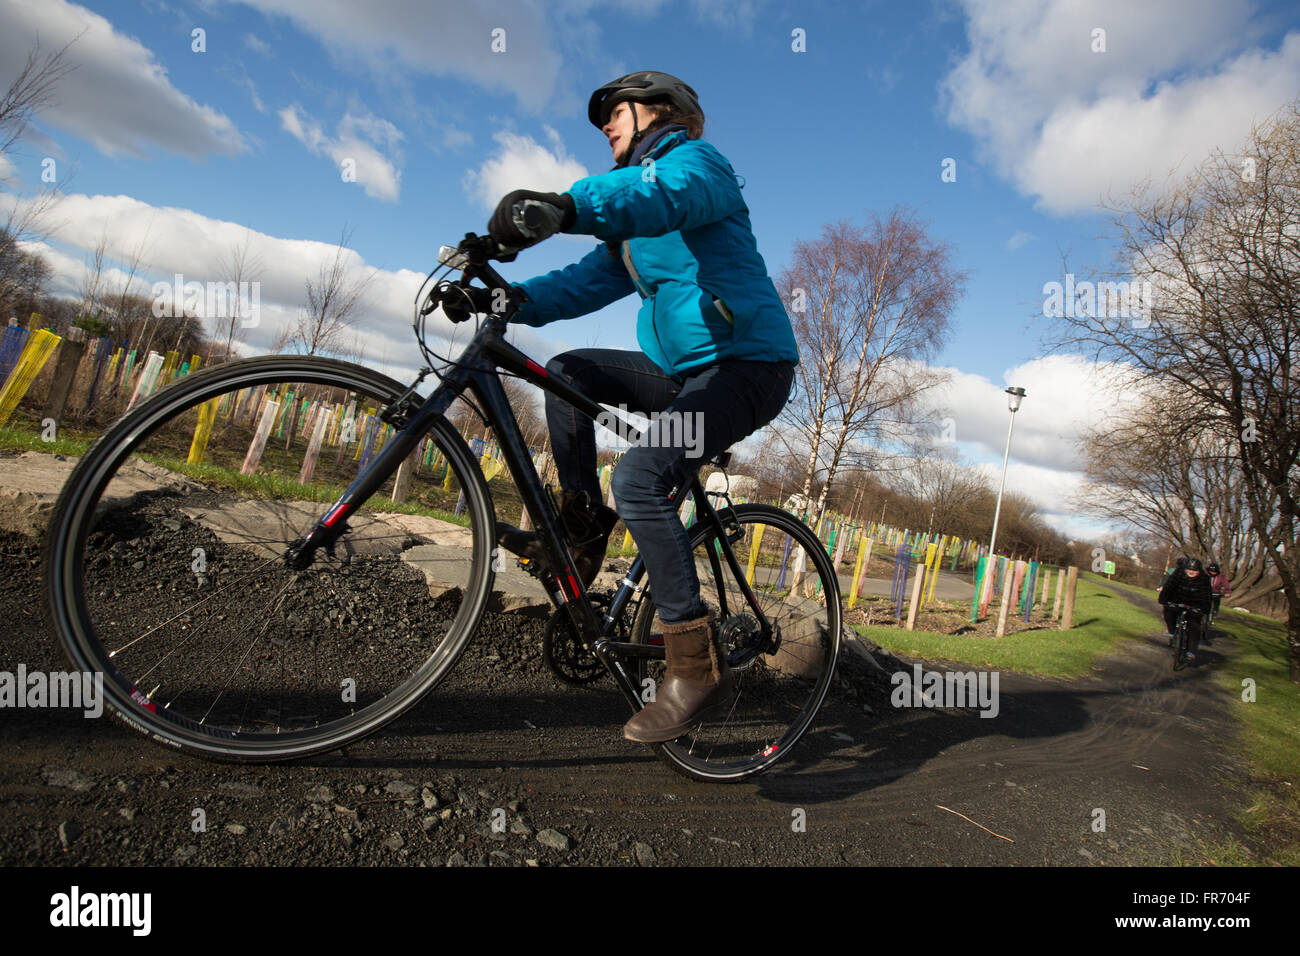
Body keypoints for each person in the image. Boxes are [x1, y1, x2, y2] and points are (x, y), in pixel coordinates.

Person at [479, 71, 799, 743]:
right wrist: (508, 297)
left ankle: (695, 664)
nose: (604, 125)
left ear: (661, 111)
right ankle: (582, 526)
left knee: (641, 477)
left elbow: (658, 197)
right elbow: (587, 280)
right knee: (568, 371)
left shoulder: (693, 167)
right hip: (685, 373)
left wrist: (563, 206)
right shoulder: (631, 224)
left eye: (614, 111)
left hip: (747, 365)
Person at [1157, 556, 1213, 661]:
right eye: (1189, 569)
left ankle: (1191, 650)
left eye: (1194, 570)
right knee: (1168, 611)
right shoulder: (1178, 574)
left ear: (1199, 571)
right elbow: (1169, 587)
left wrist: (1204, 609)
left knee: (1194, 626)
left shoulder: (1204, 579)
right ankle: (1172, 630)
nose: (1191, 572)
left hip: (1195, 604)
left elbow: (1207, 596)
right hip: (1177, 600)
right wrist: (1163, 599)